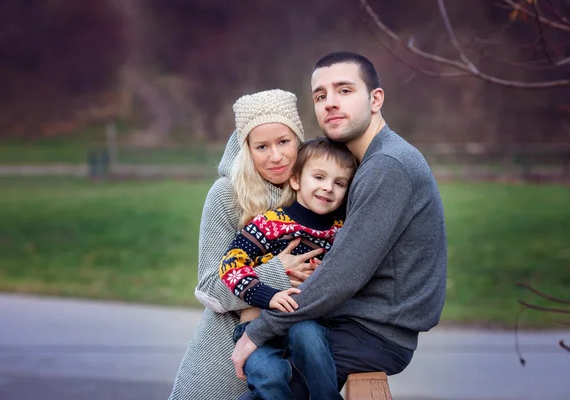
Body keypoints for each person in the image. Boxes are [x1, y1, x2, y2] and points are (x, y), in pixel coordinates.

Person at [231, 51, 448, 394]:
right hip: (352, 323)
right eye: (320, 95)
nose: (330, 103)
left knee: (265, 385)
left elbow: (340, 277)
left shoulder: (387, 166)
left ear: (375, 99)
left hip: (372, 333)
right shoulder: (367, 163)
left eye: (344, 90)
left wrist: (256, 334)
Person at [169, 89, 324, 400]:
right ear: (247, 149)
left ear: (299, 140)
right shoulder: (227, 195)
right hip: (224, 360)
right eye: (262, 146)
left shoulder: (315, 193)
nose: (276, 156)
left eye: (284, 142)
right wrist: (276, 272)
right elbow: (210, 287)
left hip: (293, 357)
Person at [220, 137, 357, 399]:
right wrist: (266, 294)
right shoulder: (271, 223)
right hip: (257, 326)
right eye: (319, 177)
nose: (328, 188)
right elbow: (230, 264)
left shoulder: (341, 230)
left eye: (339, 183)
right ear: (296, 180)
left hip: (308, 323)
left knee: (310, 340)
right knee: (270, 378)